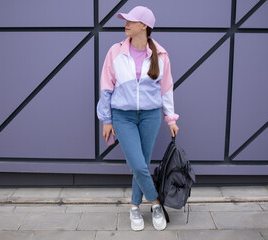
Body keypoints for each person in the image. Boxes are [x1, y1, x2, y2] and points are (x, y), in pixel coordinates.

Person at [96, 6, 179, 231]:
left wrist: (170, 118)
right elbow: (106, 86)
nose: (126, 24)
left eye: (131, 21)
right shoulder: (115, 51)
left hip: (150, 116)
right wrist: (106, 119)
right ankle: (155, 203)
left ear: (144, 26)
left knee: (141, 163)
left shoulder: (161, 55)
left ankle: (134, 207)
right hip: (122, 116)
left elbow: (166, 89)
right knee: (138, 164)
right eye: (126, 20)